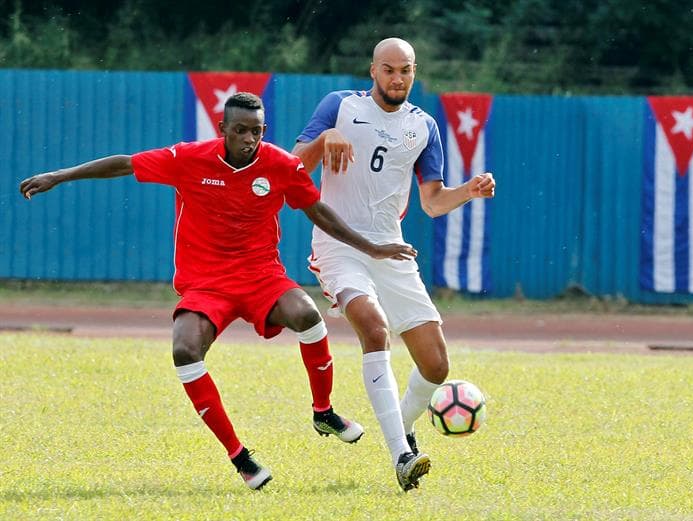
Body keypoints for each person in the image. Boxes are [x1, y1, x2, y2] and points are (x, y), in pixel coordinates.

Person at [19, 92, 417, 491]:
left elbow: (318, 211)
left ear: (264, 131)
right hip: (206, 282)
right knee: (184, 350)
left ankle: (324, 411)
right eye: (240, 130)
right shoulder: (189, 159)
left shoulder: (281, 165)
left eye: (256, 131)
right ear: (223, 129)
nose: (248, 139)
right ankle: (240, 457)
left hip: (262, 276)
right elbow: (124, 163)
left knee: (308, 315)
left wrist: (372, 247)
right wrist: (59, 175)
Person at [292, 38, 496, 491]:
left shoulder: (423, 126)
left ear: (414, 72)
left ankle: (401, 426)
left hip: (392, 248)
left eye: (405, 70)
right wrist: (325, 138)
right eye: (388, 69)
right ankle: (402, 455)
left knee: (436, 365)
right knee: (373, 325)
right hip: (338, 243)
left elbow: (433, 203)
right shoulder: (339, 106)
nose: (397, 78)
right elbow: (292, 168)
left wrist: (469, 190)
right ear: (372, 70)